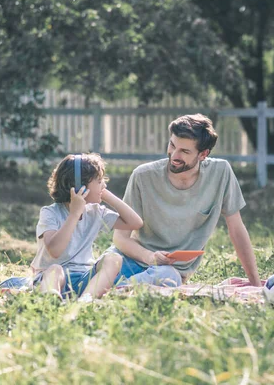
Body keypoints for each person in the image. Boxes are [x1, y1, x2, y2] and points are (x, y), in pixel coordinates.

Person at [107, 114, 261, 287]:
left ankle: (117, 290)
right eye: (172, 145)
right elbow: (120, 238)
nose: (174, 155)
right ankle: (113, 288)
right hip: (132, 259)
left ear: (203, 154)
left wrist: (256, 284)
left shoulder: (220, 173)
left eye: (185, 151)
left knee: (165, 276)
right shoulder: (142, 176)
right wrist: (150, 257)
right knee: (94, 275)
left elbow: (237, 230)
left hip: (169, 271)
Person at [28, 153, 143, 301]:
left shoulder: (95, 212)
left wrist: (106, 194)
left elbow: (135, 223)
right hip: (50, 279)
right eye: (99, 181)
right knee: (55, 270)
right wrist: (74, 214)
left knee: (113, 258)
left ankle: (86, 299)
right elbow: (55, 251)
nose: (104, 185)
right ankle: (50, 299)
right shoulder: (50, 213)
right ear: (79, 186)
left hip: (83, 279)